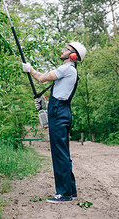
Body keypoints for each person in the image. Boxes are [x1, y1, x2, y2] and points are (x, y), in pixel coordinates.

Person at [22, 42, 86, 203]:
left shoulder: (67, 68)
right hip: (60, 110)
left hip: (59, 113)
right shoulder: (70, 71)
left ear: (73, 55)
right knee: (62, 152)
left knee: (59, 154)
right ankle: (70, 190)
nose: (62, 50)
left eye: (67, 49)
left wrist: (30, 69)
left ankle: (63, 194)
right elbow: (59, 93)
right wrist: (46, 104)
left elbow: (42, 78)